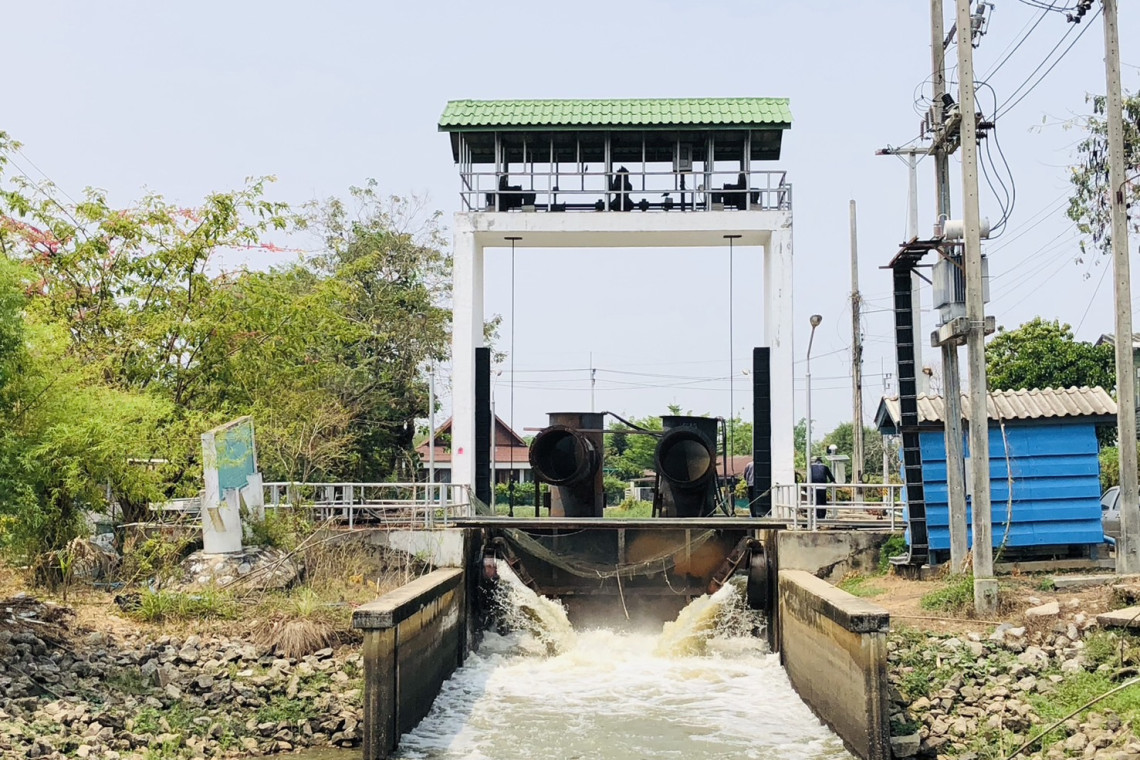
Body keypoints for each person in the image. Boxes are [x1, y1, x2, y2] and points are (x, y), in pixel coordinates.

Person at [809, 456, 835, 521]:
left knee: (816, 501)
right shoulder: (825, 467)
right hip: (823, 486)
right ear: (821, 462)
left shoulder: (811, 467)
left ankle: (817, 515)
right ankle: (822, 516)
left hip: (814, 487)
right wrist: (833, 481)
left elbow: (808, 477)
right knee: (823, 501)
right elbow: (830, 477)